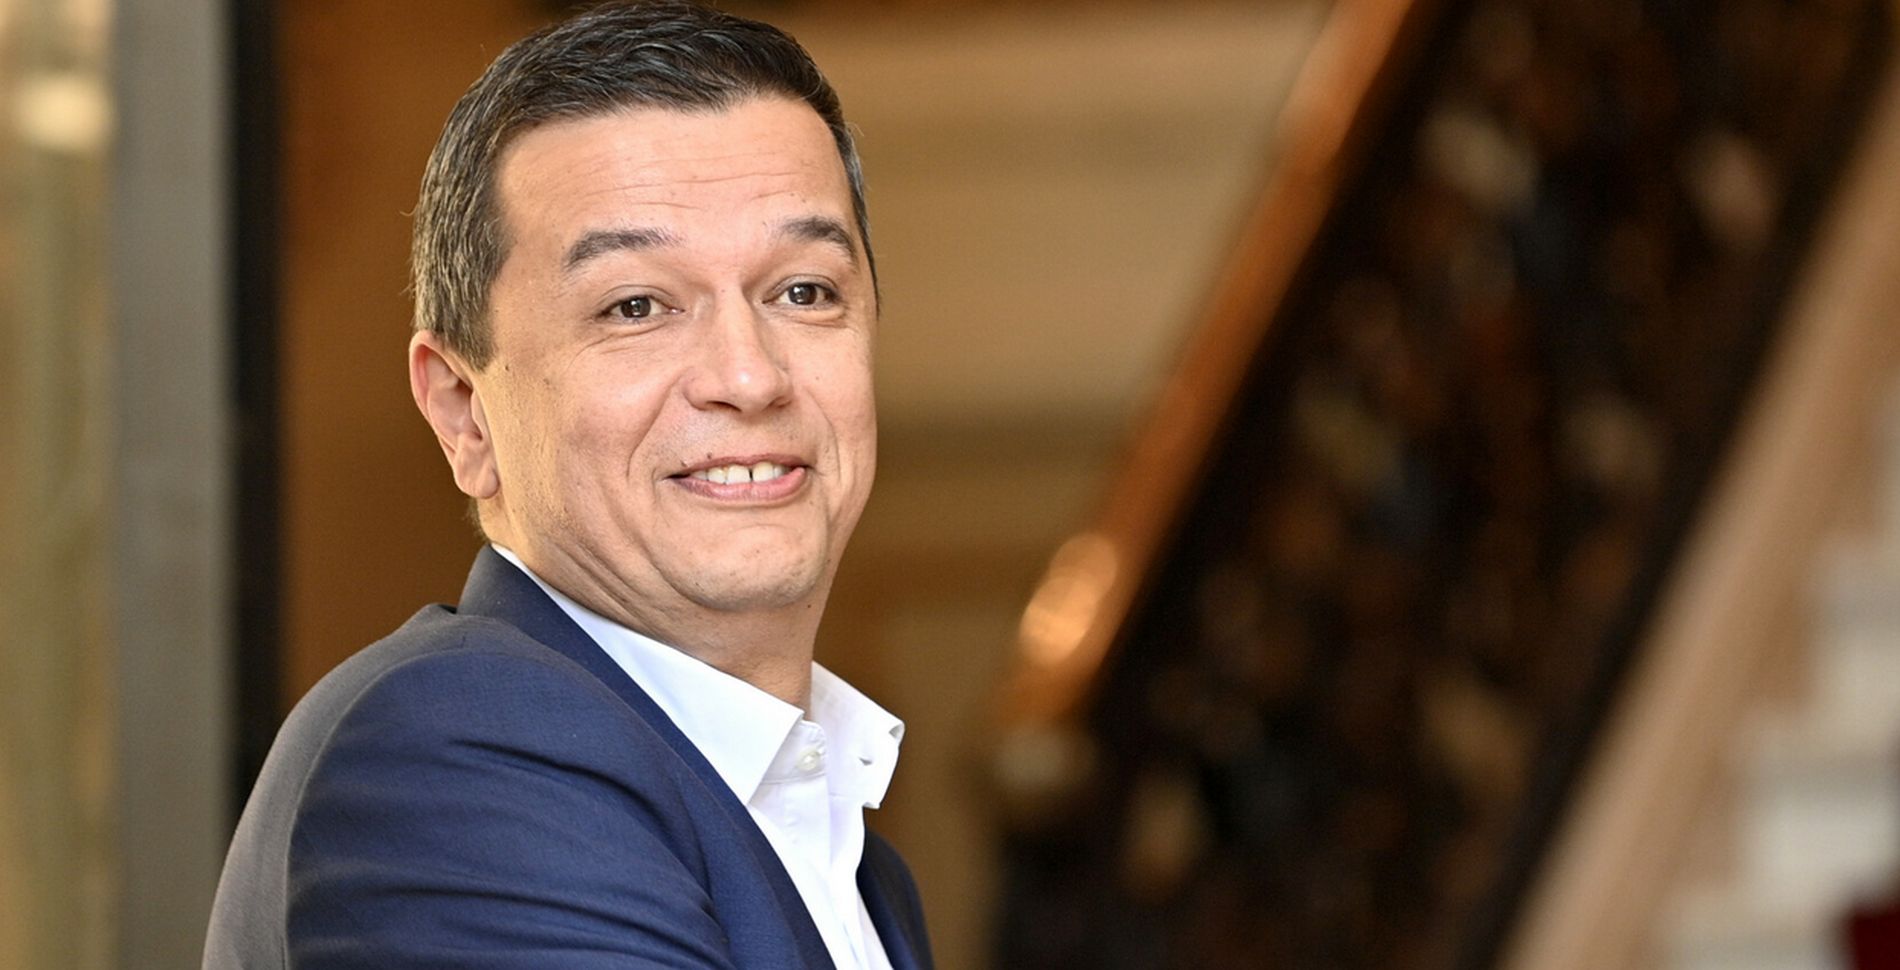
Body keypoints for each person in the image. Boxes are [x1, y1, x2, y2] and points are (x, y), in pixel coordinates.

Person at [203, 3, 930, 967]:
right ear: (465, 414)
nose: (750, 376)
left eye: (804, 291)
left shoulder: (863, 878)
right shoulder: (457, 755)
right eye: (636, 306)